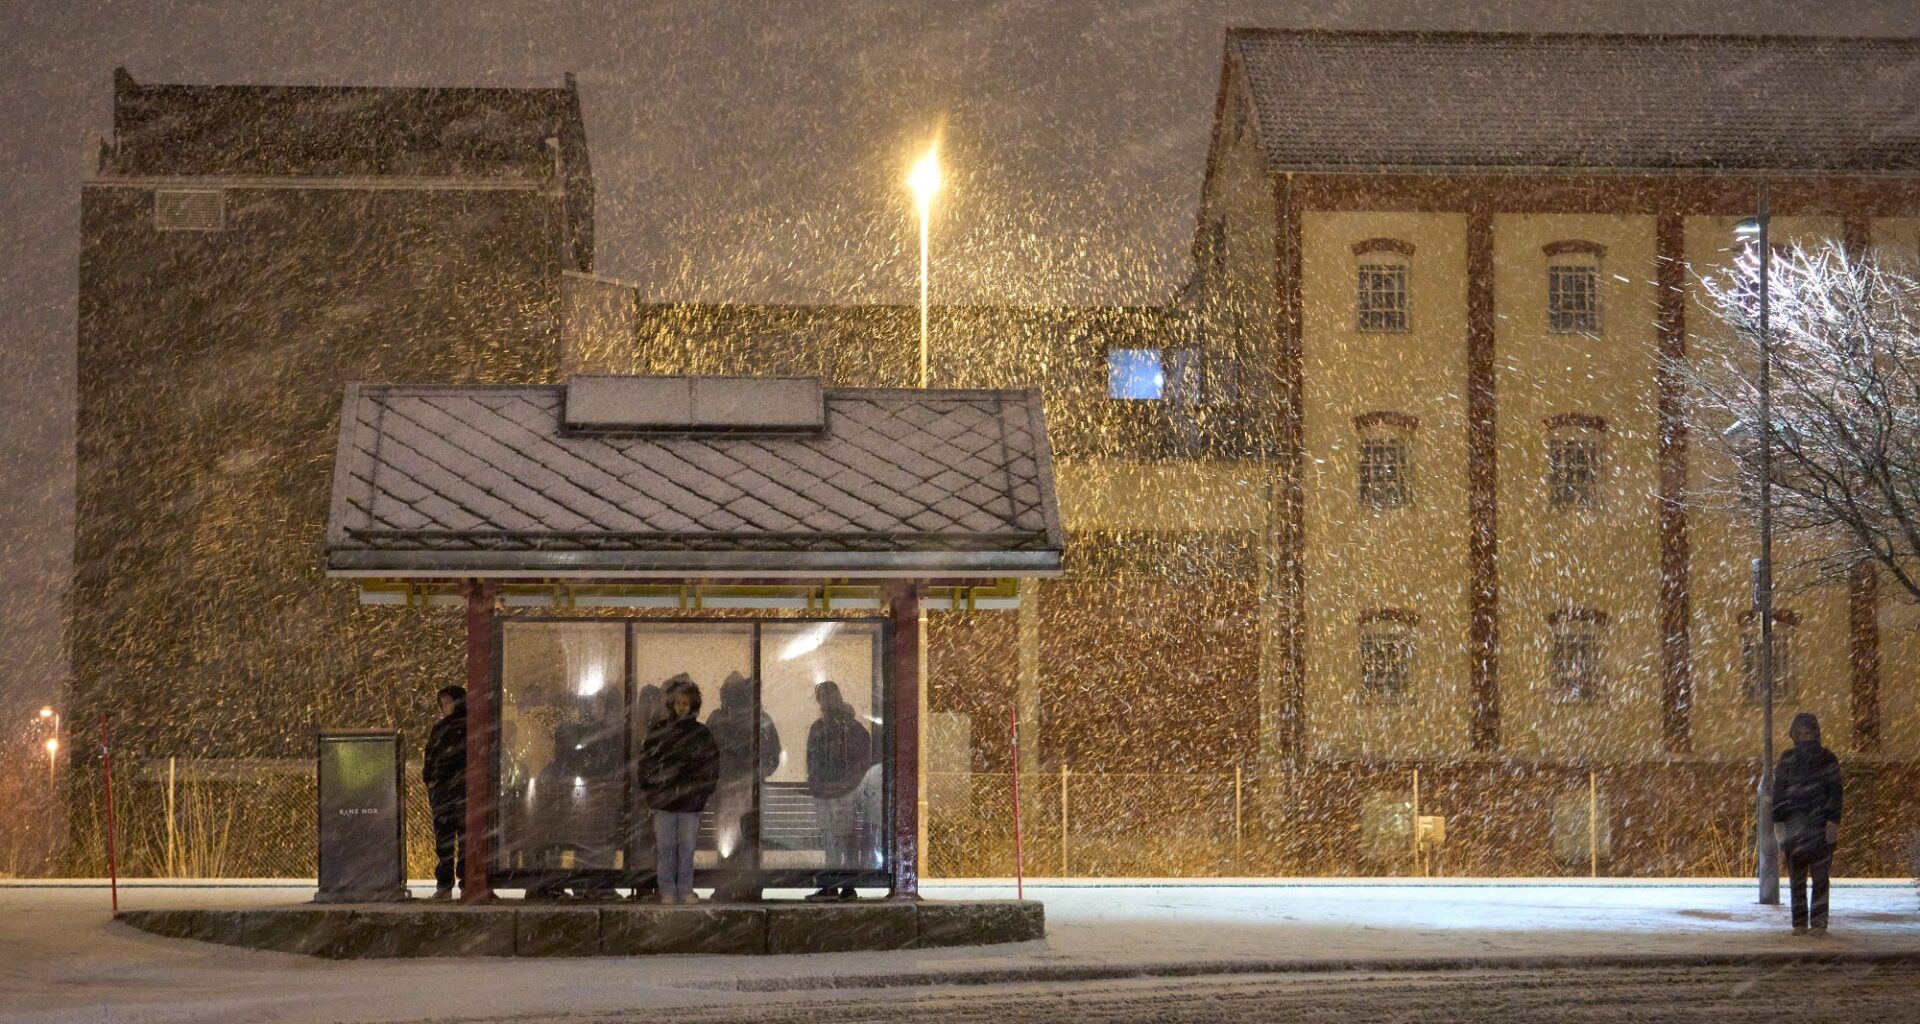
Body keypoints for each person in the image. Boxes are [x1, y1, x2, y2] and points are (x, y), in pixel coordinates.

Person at [637, 676, 720, 904]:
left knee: (681, 849)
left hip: (679, 802)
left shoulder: (687, 733)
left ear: (691, 704)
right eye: (678, 702)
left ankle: (679, 890)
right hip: (675, 802)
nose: (681, 707)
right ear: (672, 704)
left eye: (685, 703)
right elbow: (646, 765)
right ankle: (673, 890)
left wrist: (655, 791)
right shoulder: (695, 733)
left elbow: (710, 767)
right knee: (671, 849)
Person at [704, 671, 781, 900]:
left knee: (741, 839)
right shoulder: (753, 717)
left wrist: (751, 776)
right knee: (734, 840)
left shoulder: (752, 718)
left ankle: (742, 884)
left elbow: (771, 757)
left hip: (742, 790)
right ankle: (735, 884)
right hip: (732, 790)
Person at [1772, 711, 1844, 934]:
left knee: (1821, 877)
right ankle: (1800, 923)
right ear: (1794, 734)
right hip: (1795, 827)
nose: (1805, 737)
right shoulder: (1787, 760)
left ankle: (1819, 923)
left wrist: (1833, 821)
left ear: (1816, 733)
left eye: (1809, 732)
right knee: (1797, 879)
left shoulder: (1827, 759)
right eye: (1801, 733)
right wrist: (1779, 820)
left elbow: (1835, 791)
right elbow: (1779, 792)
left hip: (1820, 826)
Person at [805, 679, 872, 901]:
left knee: (838, 840)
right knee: (839, 840)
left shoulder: (832, 728)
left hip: (837, 791)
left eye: (825, 697)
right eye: (822, 697)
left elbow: (814, 761)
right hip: (839, 791)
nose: (823, 702)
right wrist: (841, 784)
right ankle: (841, 885)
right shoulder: (850, 728)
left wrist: (825, 785)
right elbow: (860, 763)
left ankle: (837, 884)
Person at [423, 685, 467, 901]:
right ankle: (445, 884)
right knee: (444, 841)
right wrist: (431, 782)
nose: (446, 706)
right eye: (444, 703)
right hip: (444, 792)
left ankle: (463, 882)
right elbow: (430, 756)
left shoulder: (467, 726)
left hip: (459, 791)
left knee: (465, 838)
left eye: (450, 702)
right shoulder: (440, 728)